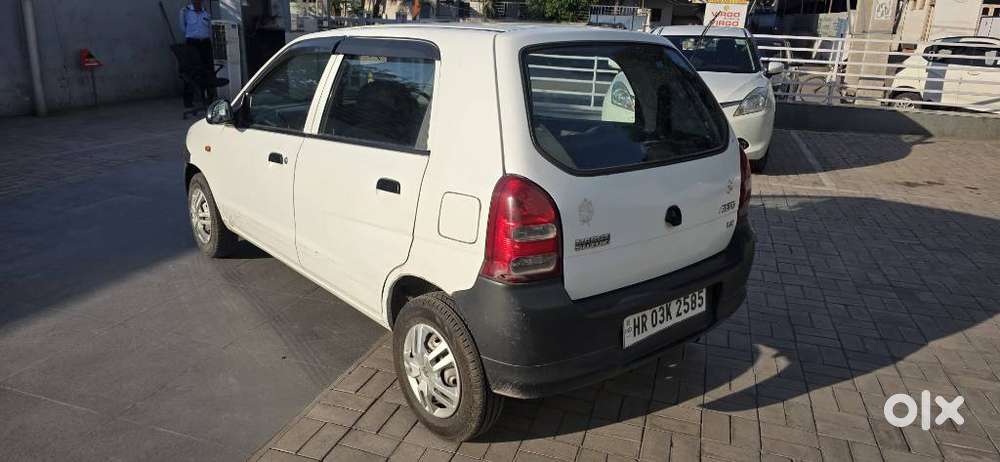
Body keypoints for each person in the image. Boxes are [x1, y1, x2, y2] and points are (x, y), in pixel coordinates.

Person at [179, 0, 215, 107]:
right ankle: (188, 100)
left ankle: (210, 98)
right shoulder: (185, 11)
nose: (197, 2)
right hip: (192, 44)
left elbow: (210, 28)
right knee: (190, 71)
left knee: (208, 70)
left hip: (205, 43)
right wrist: (193, 35)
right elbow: (182, 27)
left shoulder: (206, 12)